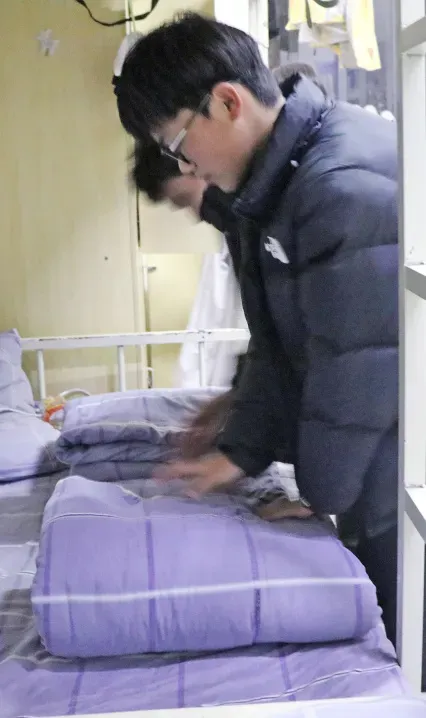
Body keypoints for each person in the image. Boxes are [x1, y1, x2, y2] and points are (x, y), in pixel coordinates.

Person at [115, 13, 398, 650]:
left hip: (400, 459)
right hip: (376, 448)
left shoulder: (336, 186)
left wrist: (321, 498)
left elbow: (356, 370)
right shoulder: (272, 185)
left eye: (176, 143)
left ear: (227, 102)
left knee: (399, 626)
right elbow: (276, 344)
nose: (183, 163)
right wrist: (241, 450)